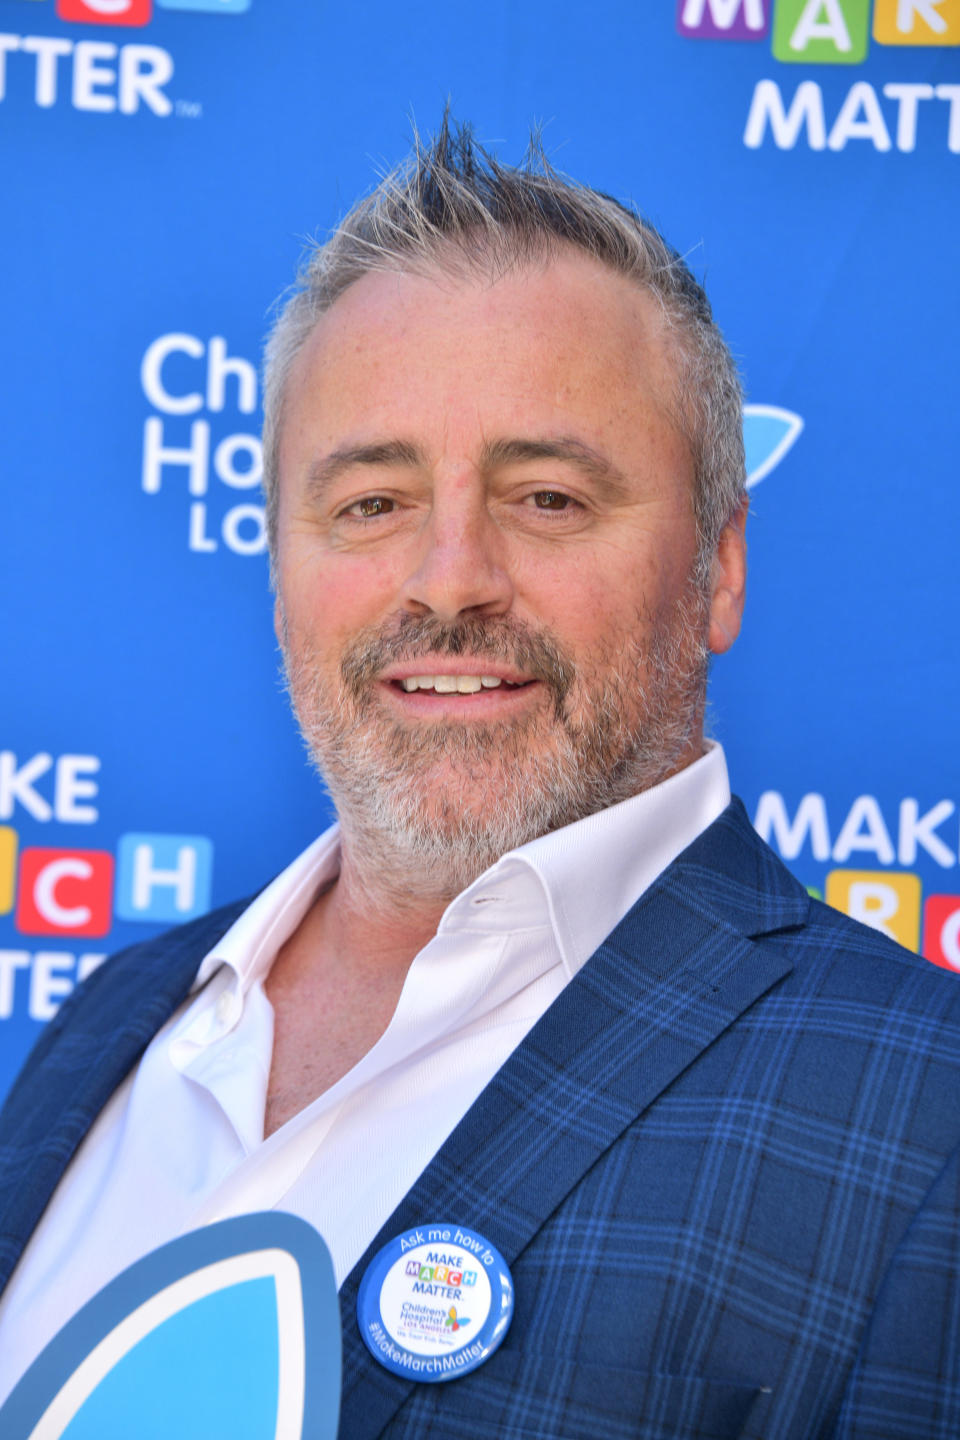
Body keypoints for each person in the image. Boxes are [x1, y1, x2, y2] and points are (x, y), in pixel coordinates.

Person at [0, 119, 958, 1439]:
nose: (450, 577)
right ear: (278, 561)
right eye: (372, 503)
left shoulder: (925, 1120)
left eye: (548, 496)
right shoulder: (109, 1024)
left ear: (719, 568)